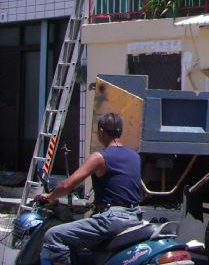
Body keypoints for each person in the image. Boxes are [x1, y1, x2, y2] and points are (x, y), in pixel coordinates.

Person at [39, 113, 143, 265]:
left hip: (111, 219)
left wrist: (50, 197)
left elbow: (68, 185)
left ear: (101, 131)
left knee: (53, 236)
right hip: (135, 216)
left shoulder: (99, 157)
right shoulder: (134, 156)